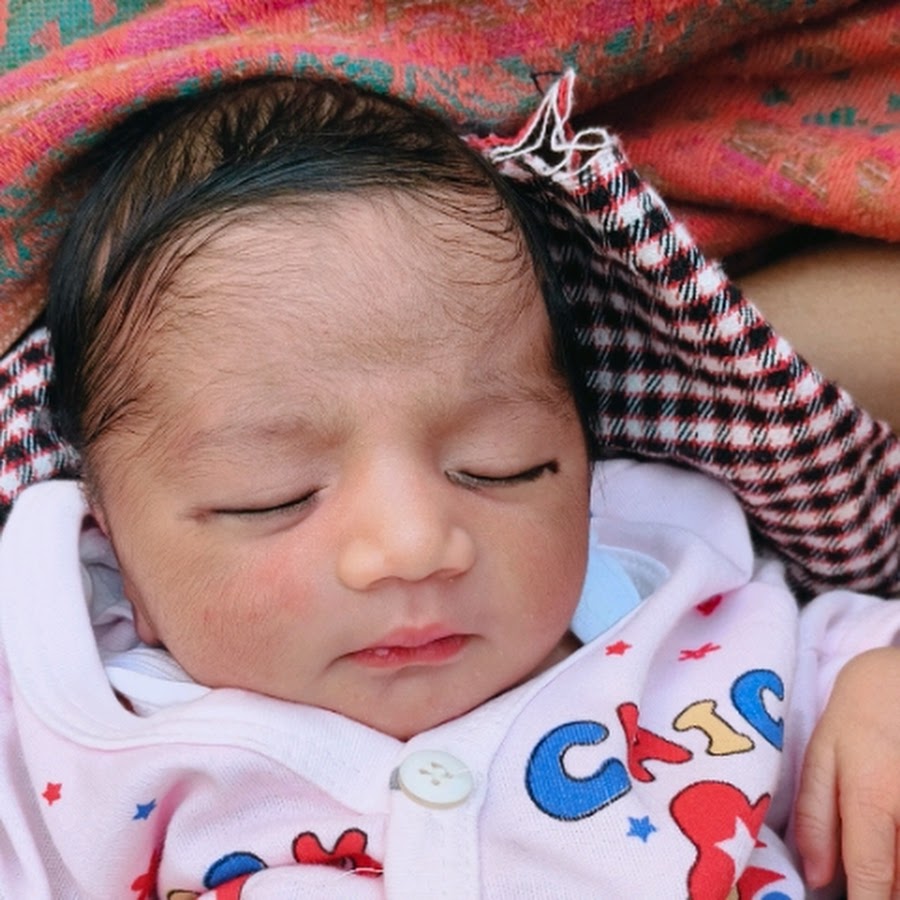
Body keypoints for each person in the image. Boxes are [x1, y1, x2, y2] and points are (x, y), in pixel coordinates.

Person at [0, 76, 897, 899]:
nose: (414, 544)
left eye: (499, 465)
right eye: (271, 496)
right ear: (114, 546)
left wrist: (874, 692)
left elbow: (852, 653)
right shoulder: (73, 742)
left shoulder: (685, 619)